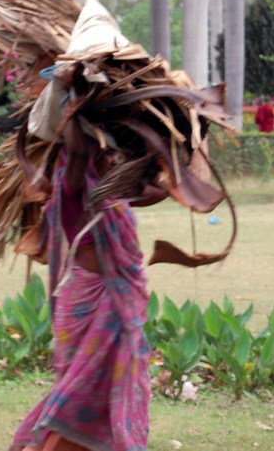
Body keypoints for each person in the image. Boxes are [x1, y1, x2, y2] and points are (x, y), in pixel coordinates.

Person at [10, 113, 169, 451]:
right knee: (78, 386)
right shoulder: (72, 191)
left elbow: (162, 188)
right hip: (86, 299)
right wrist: (74, 100)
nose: (113, 158)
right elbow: (79, 152)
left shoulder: (115, 194)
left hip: (117, 301)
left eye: (115, 153)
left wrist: (153, 145)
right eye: (106, 152)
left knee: (106, 388)